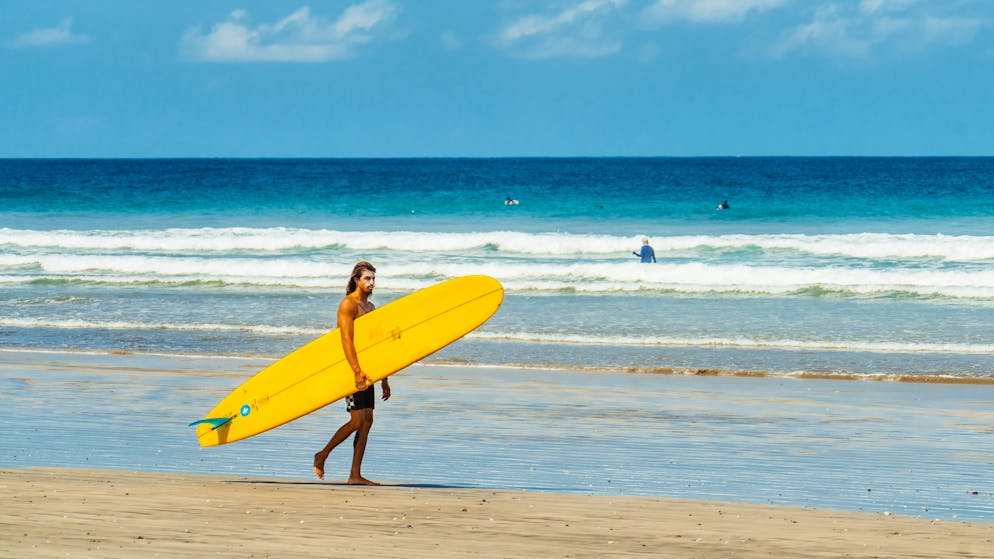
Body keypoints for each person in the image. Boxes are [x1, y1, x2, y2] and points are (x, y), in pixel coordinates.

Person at [313, 261, 391, 485]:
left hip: (368, 370)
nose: (372, 282)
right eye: (367, 278)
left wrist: (385, 377)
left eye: (374, 278)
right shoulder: (348, 305)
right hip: (351, 369)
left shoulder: (371, 307)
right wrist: (356, 371)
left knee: (367, 420)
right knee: (357, 420)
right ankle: (323, 454)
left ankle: (355, 475)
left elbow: (376, 345)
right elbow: (346, 340)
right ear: (356, 280)